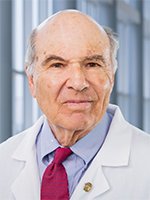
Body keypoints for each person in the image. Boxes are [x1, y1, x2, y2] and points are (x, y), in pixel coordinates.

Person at [0, 9, 150, 200]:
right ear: (31, 80)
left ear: (111, 76)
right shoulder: (3, 161)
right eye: (57, 65)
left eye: (92, 64)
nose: (78, 83)